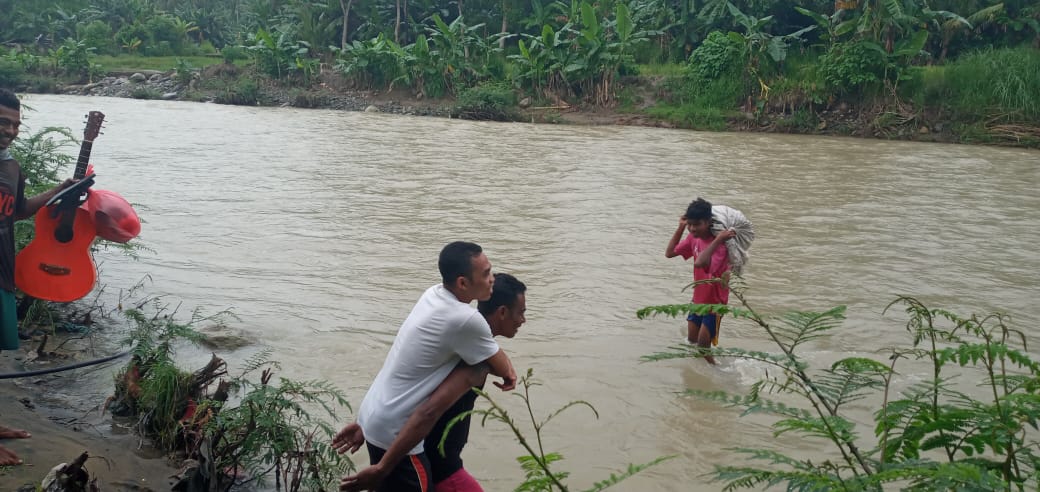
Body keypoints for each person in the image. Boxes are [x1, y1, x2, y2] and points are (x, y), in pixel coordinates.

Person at [335, 241, 517, 491]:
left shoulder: (432, 294)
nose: (492, 279)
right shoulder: (466, 319)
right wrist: (382, 469)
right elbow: (504, 369)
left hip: (373, 416)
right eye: (486, 274)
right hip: (398, 435)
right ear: (463, 283)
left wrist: (366, 425)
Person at [0, 88, 78, 465]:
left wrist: (60, 190)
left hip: (2, 272)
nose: (11, 130)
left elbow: (17, 213)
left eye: (16, 124)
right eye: (3, 121)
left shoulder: (12, 168)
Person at [665, 197, 735, 365]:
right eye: (690, 224)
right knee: (691, 340)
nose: (692, 228)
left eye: (696, 225)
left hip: (715, 304)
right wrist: (681, 228)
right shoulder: (692, 238)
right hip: (698, 300)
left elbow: (700, 262)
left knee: (703, 347)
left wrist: (718, 239)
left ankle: (720, 372)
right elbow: (669, 253)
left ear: (708, 222)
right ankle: (701, 374)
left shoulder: (719, 246)